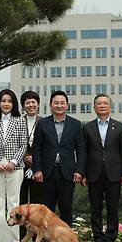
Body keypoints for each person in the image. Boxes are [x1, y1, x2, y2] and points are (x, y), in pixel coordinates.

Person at [31, 91, 85, 227]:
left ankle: (66, 236)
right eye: (56, 103)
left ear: (67, 106)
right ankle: (46, 237)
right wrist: (37, 170)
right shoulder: (42, 123)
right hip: (47, 173)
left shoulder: (76, 124)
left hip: (67, 173)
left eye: (62, 103)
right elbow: (36, 149)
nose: (59, 105)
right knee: (47, 208)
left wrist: (79, 171)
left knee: (66, 207)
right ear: (50, 105)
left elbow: (81, 150)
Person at [83, 93, 122, 242]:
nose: (102, 105)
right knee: (95, 207)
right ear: (94, 107)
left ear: (110, 106)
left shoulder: (120, 127)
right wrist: (83, 174)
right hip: (93, 173)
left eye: (105, 103)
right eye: (99, 103)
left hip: (114, 173)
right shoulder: (87, 127)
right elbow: (84, 152)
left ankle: (110, 238)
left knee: (112, 207)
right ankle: (98, 237)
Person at [0, 89, 27, 240]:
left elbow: (23, 145)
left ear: (14, 103)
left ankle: (13, 239)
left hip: (15, 166)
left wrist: (14, 162)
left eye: (9, 101)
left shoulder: (20, 120)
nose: (6, 104)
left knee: (13, 201)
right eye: (3, 100)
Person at [19, 90, 43, 206]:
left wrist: (35, 159)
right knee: (20, 199)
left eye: (33, 102)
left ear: (38, 104)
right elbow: (14, 143)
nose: (31, 105)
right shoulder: (18, 122)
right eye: (27, 103)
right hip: (20, 165)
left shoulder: (44, 122)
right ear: (23, 106)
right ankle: (21, 224)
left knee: (37, 200)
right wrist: (25, 157)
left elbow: (48, 146)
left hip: (39, 167)